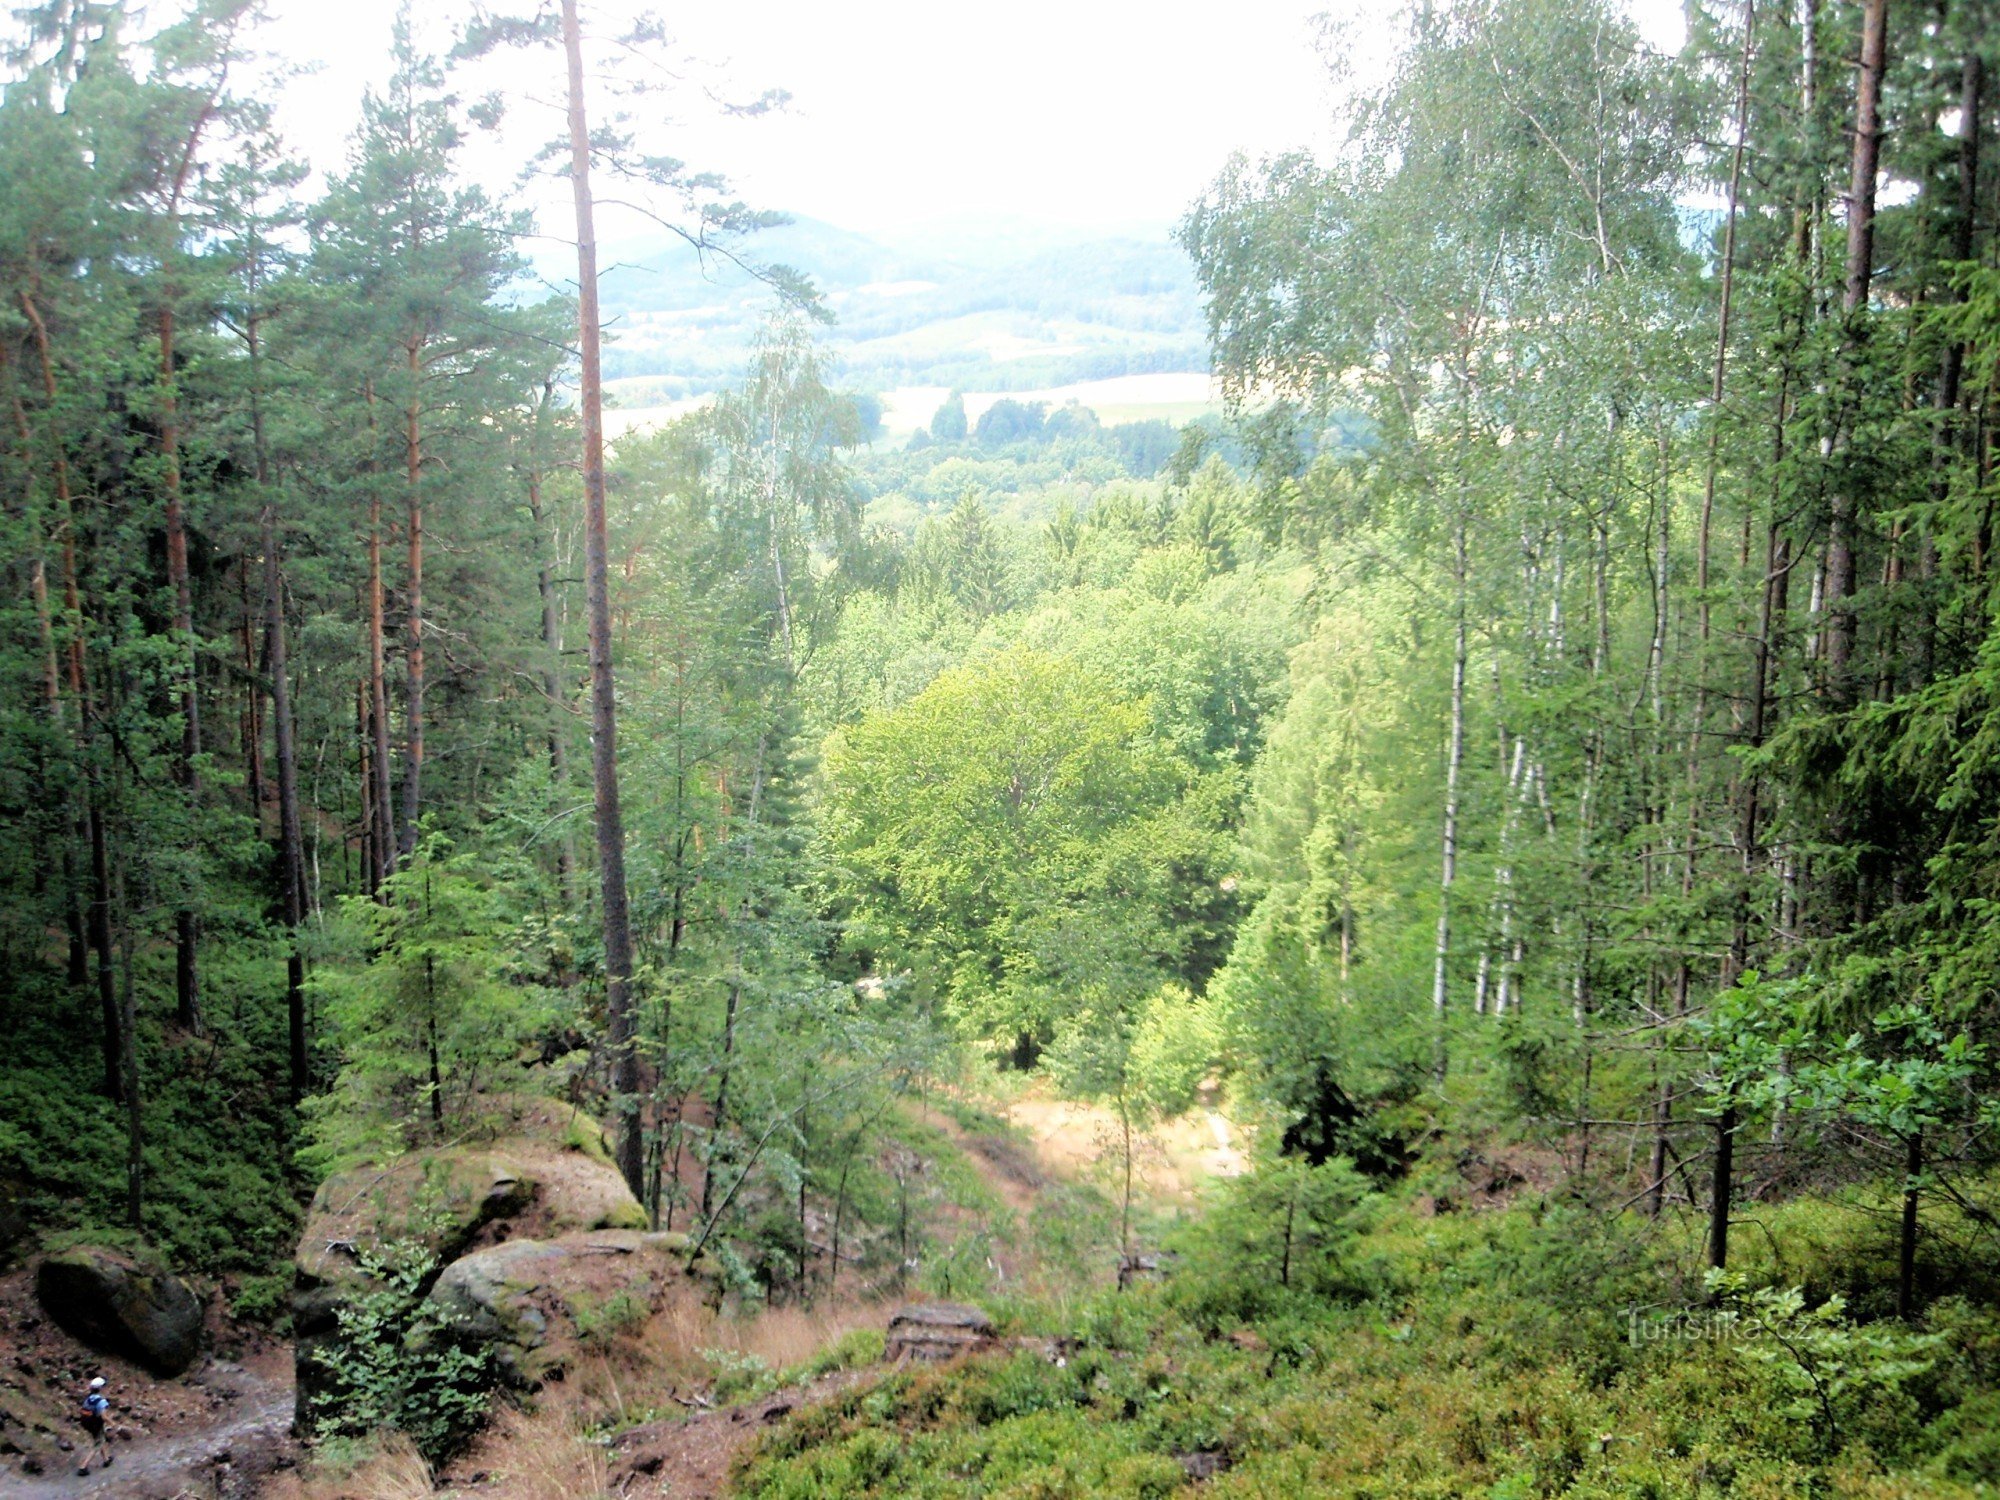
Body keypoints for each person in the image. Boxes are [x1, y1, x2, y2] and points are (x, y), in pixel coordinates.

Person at [76, 1375, 112, 1476]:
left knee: (101, 1439)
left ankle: (106, 1459)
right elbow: (103, 1416)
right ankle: (83, 1467)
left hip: (87, 1423)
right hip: (96, 1424)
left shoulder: (89, 1398)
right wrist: (112, 1423)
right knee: (97, 1444)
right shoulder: (101, 1401)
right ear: (101, 1388)